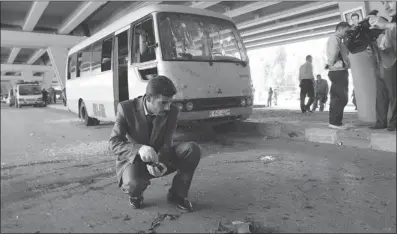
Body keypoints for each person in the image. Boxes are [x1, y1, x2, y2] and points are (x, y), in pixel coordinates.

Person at [109, 75, 201, 212]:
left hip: (160, 156)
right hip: (134, 160)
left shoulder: (173, 111)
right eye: (163, 103)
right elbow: (113, 144)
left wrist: (162, 161)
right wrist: (139, 149)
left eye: (170, 102)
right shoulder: (125, 108)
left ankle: (177, 194)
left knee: (192, 150)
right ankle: (135, 195)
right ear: (149, 98)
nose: (168, 107)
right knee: (133, 184)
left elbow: (167, 141)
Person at [367, 1, 396, 131]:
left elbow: (388, 46)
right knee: (381, 95)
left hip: (390, 65)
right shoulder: (375, 36)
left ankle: (393, 123)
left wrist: (386, 26)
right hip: (379, 68)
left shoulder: (388, 29)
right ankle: (380, 122)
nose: (386, 6)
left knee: (394, 95)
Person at [326, 22, 351, 129]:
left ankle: (335, 122)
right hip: (338, 71)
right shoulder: (334, 38)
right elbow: (332, 54)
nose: (347, 33)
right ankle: (335, 123)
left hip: (338, 71)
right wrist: (331, 65)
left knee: (337, 97)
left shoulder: (339, 40)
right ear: (340, 29)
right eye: (346, 31)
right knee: (341, 98)